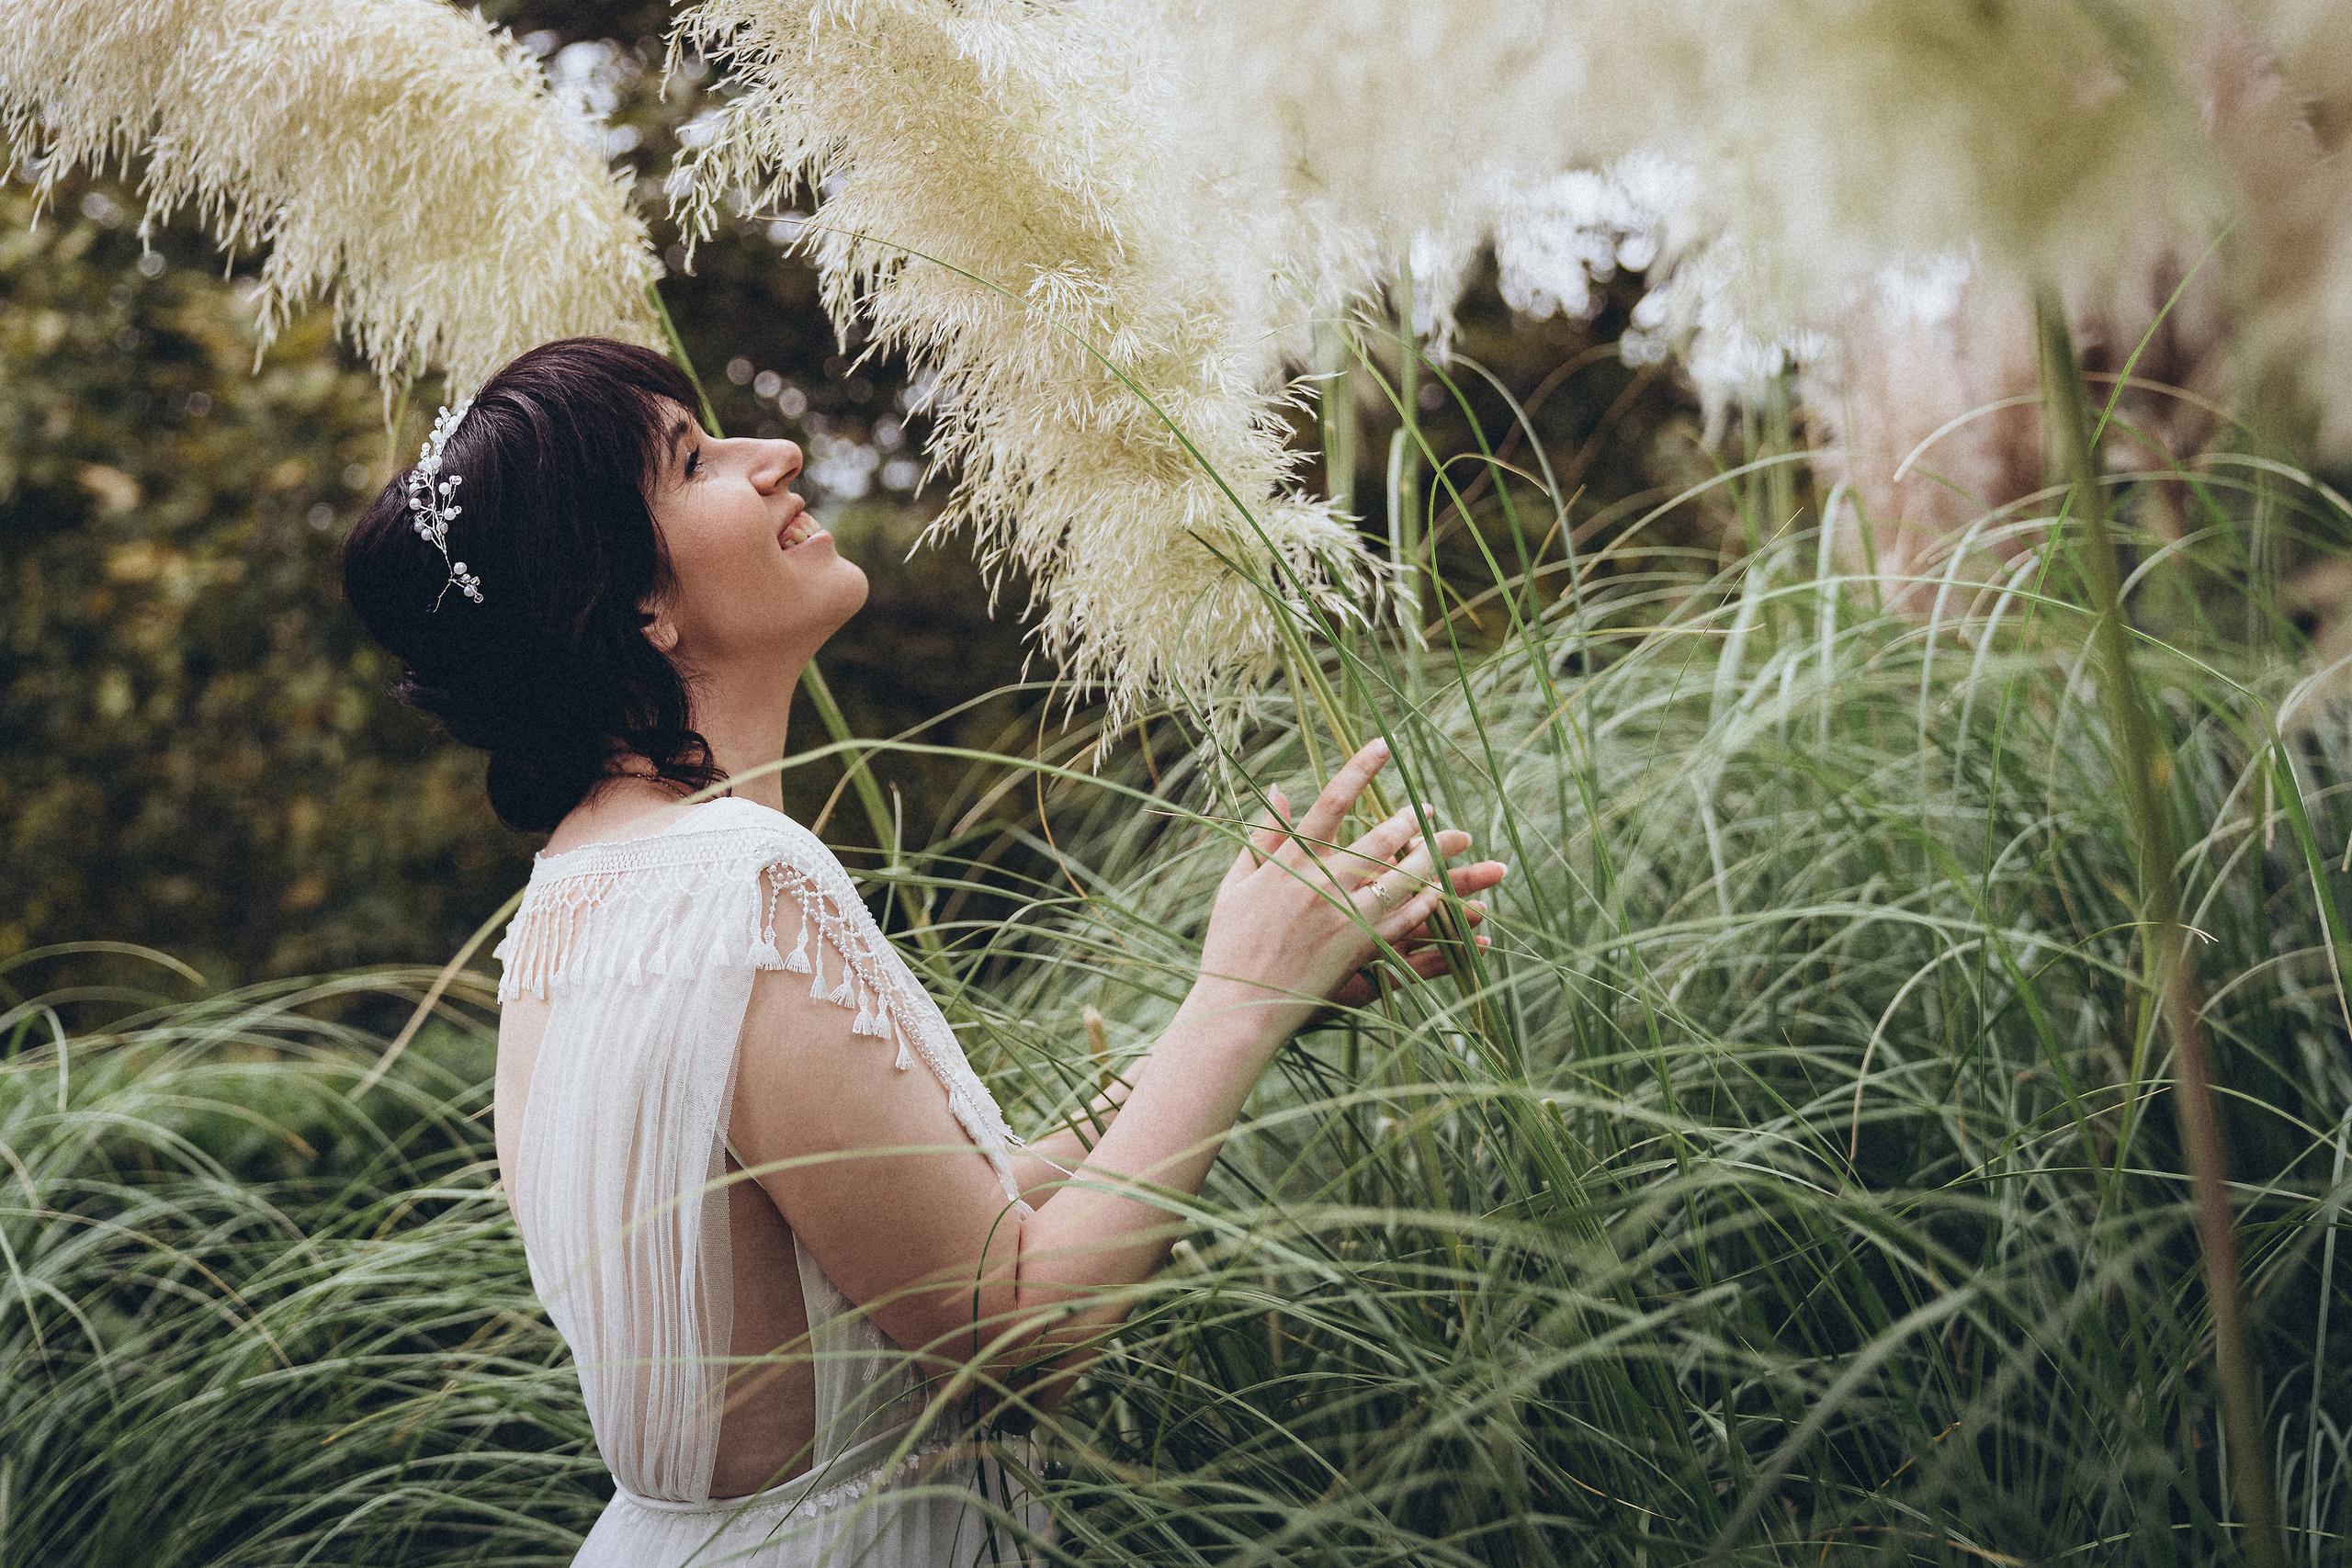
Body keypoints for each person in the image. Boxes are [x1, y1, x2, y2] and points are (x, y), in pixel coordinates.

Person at [340, 337, 1507, 1566]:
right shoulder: (738, 880)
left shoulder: (574, 901)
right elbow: (1016, 1344)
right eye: (694, 460)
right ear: (637, 602)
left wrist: (1260, 1001)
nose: (775, 455)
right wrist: (1235, 1001)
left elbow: (916, 1235)